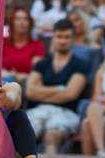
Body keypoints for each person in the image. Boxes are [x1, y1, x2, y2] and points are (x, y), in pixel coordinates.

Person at [25, 19, 89, 155]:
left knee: (51, 137)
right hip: (38, 110)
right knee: (23, 136)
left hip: (66, 112)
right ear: (53, 37)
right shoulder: (42, 64)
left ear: (73, 39)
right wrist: (59, 89)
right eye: (59, 36)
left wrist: (41, 91)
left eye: (67, 37)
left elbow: (71, 94)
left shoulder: (80, 64)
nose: (63, 41)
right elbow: (29, 92)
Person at [2, 7, 45, 83]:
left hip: (26, 84)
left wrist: (18, 76)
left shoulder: (37, 45)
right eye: (18, 19)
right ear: (11, 23)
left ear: (30, 23)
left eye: (26, 19)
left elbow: (37, 73)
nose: (22, 22)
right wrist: (11, 76)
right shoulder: (2, 43)